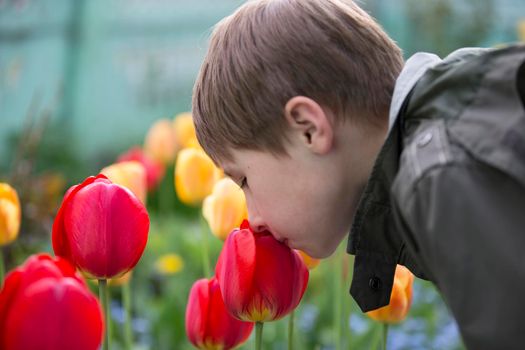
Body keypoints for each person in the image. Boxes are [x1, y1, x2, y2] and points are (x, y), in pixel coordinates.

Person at [191, 0, 525, 348]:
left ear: (308, 129)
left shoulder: (442, 176)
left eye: (244, 181)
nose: (253, 219)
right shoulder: (458, 120)